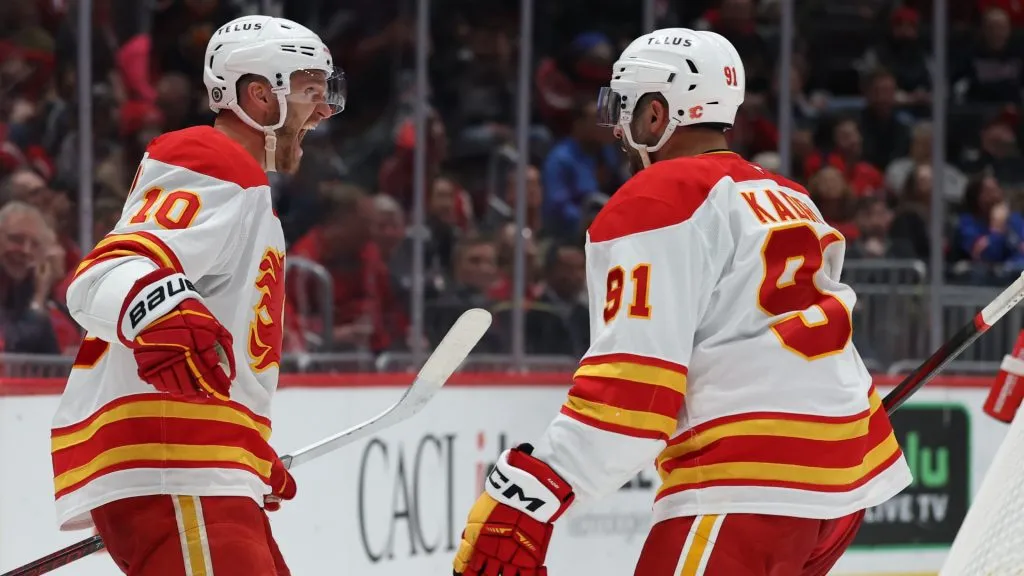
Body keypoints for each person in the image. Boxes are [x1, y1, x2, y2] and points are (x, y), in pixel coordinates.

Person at [453, 28, 911, 576]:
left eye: (624, 109)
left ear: (656, 115)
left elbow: (633, 394)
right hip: (845, 479)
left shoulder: (656, 198)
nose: (618, 130)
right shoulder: (792, 196)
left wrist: (535, 489)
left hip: (746, 482)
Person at [50, 15, 344, 576]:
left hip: (202, 465)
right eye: (311, 90)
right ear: (261, 96)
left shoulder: (246, 189)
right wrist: (156, 309)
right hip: (176, 465)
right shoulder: (209, 156)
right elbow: (108, 271)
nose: (324, 110)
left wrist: (243, 443)